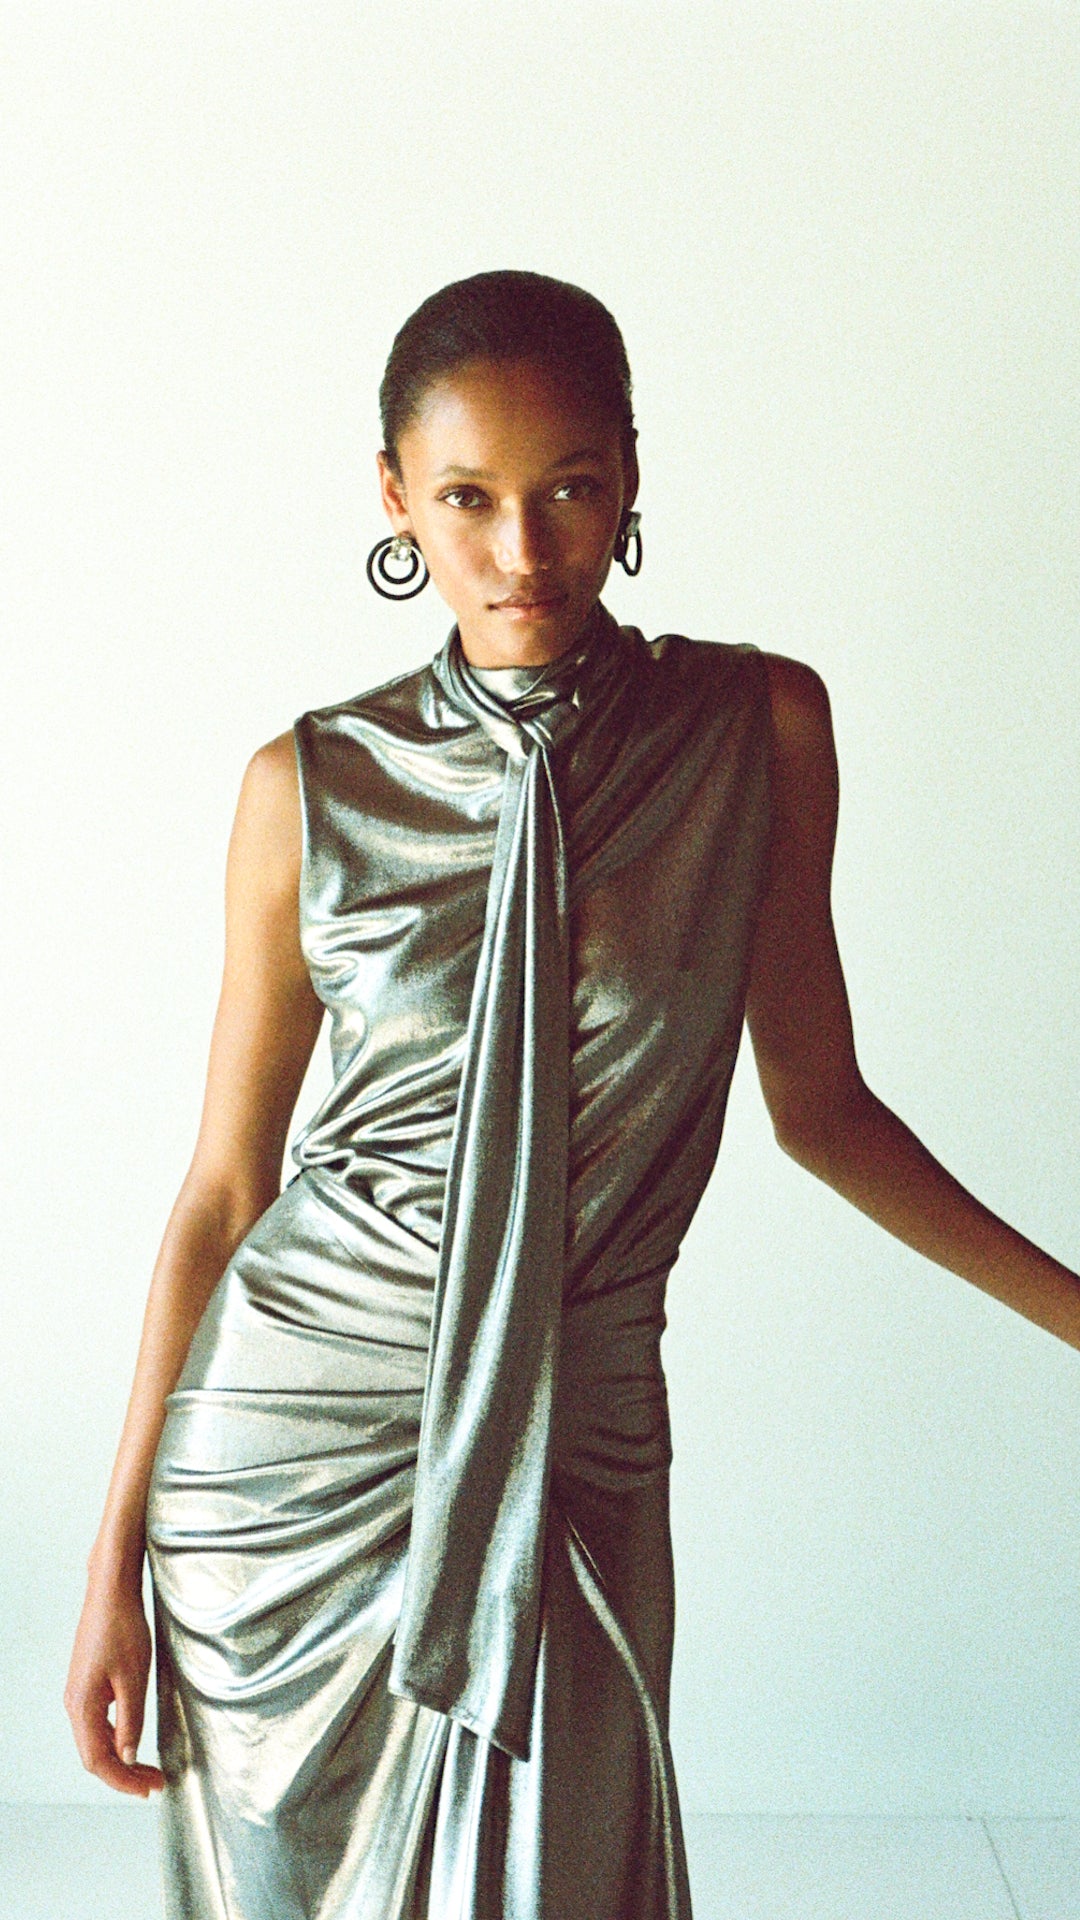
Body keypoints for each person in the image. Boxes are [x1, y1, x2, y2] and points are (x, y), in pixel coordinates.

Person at [65, 269, 1079, 1920]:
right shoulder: (307, 787)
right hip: (289, 1464)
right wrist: (111, 1558)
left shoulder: (755, 729)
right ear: (395, 498)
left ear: (630, 479)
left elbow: (823, 1111)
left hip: (579, 1433)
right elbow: (226, 1191)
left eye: (570, 491)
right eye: (467, 498)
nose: (522, 551)